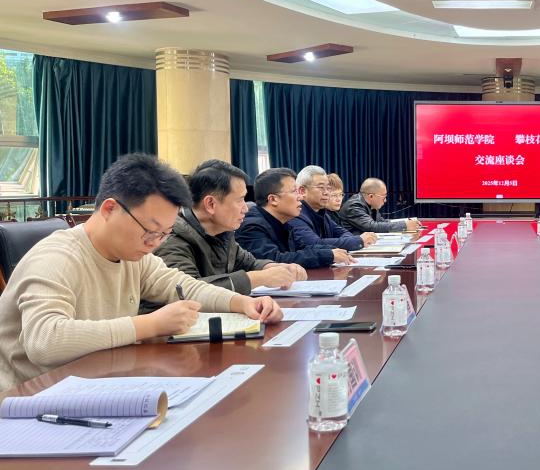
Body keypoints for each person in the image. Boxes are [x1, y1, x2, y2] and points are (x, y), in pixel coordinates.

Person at [0, 153, 283, 391]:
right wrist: (150, 325)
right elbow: (45, 341)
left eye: (165, 234)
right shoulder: (56, 258)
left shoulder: (133, 256)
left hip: (95, 381)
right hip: (31, 399)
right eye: (150, 231)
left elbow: (181, 285)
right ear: (110, 209)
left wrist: (242, 303)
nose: (155, 243)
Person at [153, 159, 306, 296]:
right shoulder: (171, 239)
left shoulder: (222, 232)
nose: (246, 208)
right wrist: (259, 278)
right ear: (210, 204)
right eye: (240, 200)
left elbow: (249, 263)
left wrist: (273, 267)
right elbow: (186, 291)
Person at [237, 168, 357, 268]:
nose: (300, 197)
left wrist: (333, 251)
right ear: (273, 199)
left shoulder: (284, 221)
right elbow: (274, 260)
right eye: (294, 191)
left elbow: (303, 247)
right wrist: (327, 255)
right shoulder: (252, 226)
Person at [291, 165, 375, 251]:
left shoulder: (322, 213)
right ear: (302, 191)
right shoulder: (295, 214)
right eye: (321, 187)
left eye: (328, 188)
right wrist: (357, 241)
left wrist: (353, 241)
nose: (326, 192)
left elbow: (343, 233)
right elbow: (314, 244)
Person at [341, 178, 420, 234]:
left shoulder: (370, 205)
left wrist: (406, 222)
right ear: (371, 196)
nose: (385, 201)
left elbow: (381, 222)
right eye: (383, 197)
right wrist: (404, 225)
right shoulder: (354, 206)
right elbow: (372, 227)